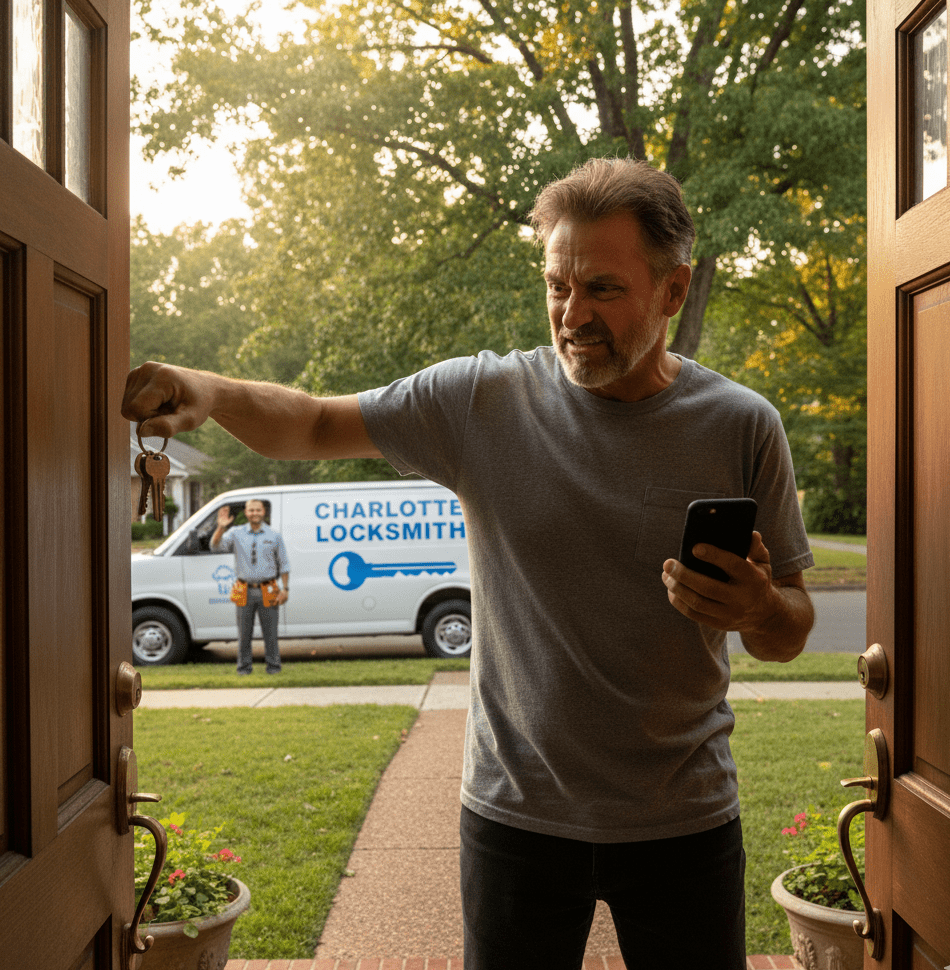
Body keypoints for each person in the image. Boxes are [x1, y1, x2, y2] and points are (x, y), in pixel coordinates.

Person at [122, 158, 815, 970]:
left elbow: (788, 632)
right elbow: (311, 425)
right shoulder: (481, 401)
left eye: (603, 289)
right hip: (515, 818)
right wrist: (208, 388)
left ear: (673, 290)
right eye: (557, 285)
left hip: (683, 819)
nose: (572, 314)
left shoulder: (741, 425)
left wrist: (762, 609)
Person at [211, 498, 290, 675]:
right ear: (246, 513)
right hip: (243, 588)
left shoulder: (274, 535)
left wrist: (285, 589)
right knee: (244, 633)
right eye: (251, 510)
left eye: (258, 510)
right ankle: (244, 669)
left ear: (264, 512)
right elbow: (215, 547)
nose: (255, 513)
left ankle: (274, 668)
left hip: (268, 589)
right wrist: (221, 527)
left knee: (271, 633)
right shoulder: (235, 533)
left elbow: (284, 564)